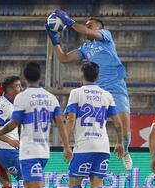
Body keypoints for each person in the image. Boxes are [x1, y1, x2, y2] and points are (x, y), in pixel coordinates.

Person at [46, 10, 133, 170]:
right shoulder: (85, 48)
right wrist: (54, 39)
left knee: (124, 126)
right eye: (86, 24)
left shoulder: (105, 36)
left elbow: (85, 31)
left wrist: (69, 21)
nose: (87, 26)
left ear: (99, 27)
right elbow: (64, 58)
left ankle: (125, 150)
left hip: (115, 87)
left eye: (90, 24)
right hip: (97, 89)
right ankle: (82, 152)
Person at [0, 62, 73, 188]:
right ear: (40, 76)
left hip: (29, 151)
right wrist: (66, 147)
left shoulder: (22, 97)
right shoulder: (51, 98)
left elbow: (13, 123)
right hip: (44, 152)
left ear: (24, 77)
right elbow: (60, 123)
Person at [65, 62, 125, 188]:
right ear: (98, 76)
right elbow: (118, 123)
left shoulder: (76, 93)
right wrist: (120, 143)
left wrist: (66, 145)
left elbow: (71, 120)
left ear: (81, 75)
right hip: (103, 147)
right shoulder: (107, 95)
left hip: (84, 146)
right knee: (97, 185)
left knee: (74, 183)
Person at [0, 76, 23, 182]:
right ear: (9, 89)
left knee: (28, 182)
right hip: (7, 151)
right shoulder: (5, 106)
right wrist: (9, 140)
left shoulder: (5, 101)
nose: (20, 89)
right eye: (17, 86)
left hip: (11, 151)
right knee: (30, 181)